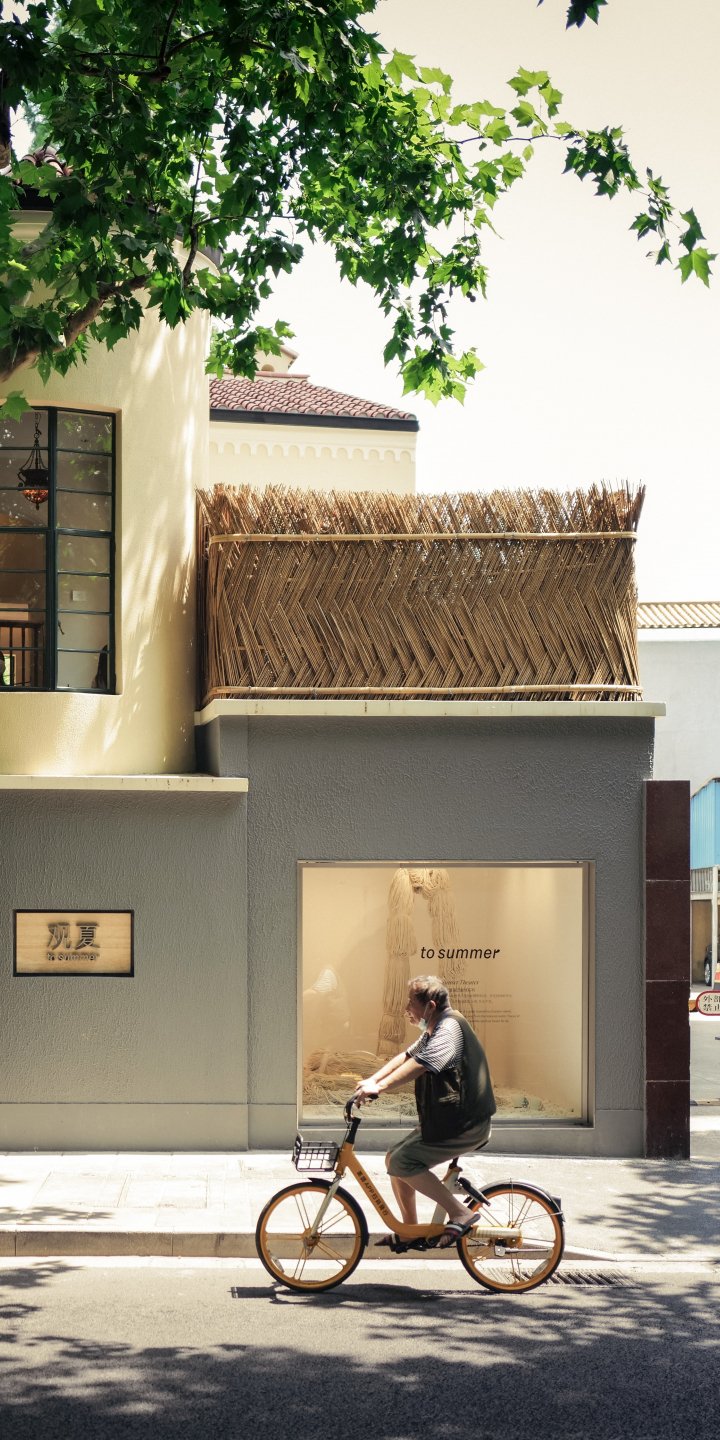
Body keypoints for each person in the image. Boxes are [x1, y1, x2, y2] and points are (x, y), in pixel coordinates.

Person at [352, 974, 496, 1247]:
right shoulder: (435, 1028)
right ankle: (410, 1230)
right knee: (394, 1158)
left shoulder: (449, 1029)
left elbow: (422, 1064)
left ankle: (460, 1213)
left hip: (465, 1124)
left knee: (402, 1162)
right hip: (450, 1121)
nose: (406, 1009)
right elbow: (407, 1056)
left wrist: (379, 1088)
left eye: (411, 1003)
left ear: (430, 1006)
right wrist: (373, 1080)